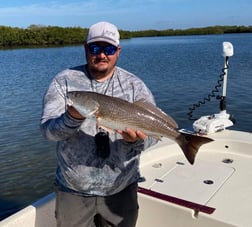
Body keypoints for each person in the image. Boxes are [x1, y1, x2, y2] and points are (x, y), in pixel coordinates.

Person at [40, 21, 157, 227]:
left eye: (108, 49)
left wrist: (133, 143)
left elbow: (154, 137)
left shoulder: (134, 86)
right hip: (73, 190)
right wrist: (73, 117)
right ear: (86, 49)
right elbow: (49, 133)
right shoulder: (64, 82)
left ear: (118, 51)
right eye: (95, 48)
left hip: (120, 191)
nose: (101, 55)